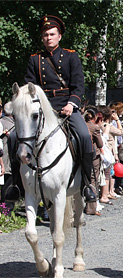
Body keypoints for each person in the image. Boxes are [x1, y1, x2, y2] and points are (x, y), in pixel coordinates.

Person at [6, 15, 96, 202]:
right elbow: (29, 88)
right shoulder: (34, 60)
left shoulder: (71, 56)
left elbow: (79, 85)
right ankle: (16, 185)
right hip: (42, 109)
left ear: (59, 36)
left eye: (52, 34)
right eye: (45, 35)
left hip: (67, 106)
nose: (48, 38)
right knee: (14, 137)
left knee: (85, 136)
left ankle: (87, 183)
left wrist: (72, 104)